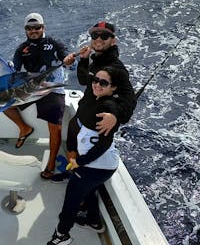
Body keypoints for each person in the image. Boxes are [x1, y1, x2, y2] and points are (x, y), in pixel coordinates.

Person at [46, 66, 125, 245]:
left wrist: (79, 162)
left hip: (97, 165)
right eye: (95, 80)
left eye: (103, 83)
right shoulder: (96, 98)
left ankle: (61, 234)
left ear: (113, 88)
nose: (97, 84)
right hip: (99, 163)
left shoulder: (107, 110)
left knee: (71, 200)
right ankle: (94, 221)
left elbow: (103, 144)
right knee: (87, 190)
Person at [51, 21, 137, 184]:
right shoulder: (96, 60)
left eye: (104, 35)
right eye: (94, 35)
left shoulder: (117, 69)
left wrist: (115, 116)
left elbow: (130, 100)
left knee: (84, 163)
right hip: (79, 120)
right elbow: (84, 80)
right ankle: (72, 172)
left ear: (113, 40)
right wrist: (83, 60)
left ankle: (81, 188)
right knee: (72, 151)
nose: (98, 39)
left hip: (92, 130)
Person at [3, 12, 71, 180]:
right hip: (33, 88)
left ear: (43, 28)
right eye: (29, 28)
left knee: (55, 127)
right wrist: (9, 67)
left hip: (53, 90)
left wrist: (68, 59)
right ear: (25, 30)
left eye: (37, 27)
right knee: (4, 106)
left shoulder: (54, 43)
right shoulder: (22, 49)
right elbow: (15, 71)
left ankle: (51, 164)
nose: (33, 31)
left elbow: (65, 56)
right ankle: (24, 128)